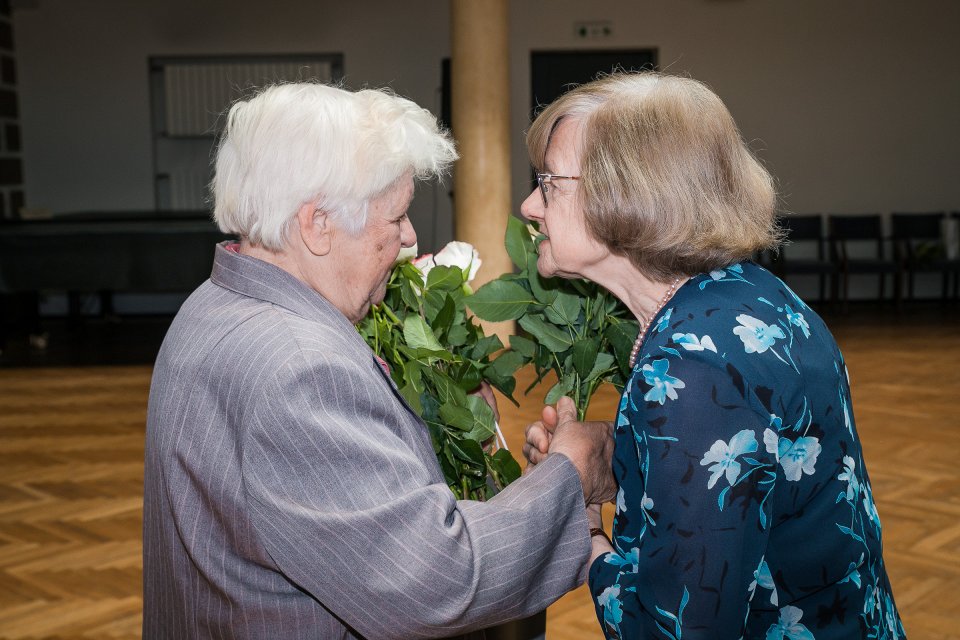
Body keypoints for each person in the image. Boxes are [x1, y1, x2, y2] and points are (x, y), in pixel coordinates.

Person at [142, 83, 615, 639]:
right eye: (396, 217)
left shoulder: (213, 302)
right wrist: (571, 473)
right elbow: (438, 582)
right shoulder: (299, 371)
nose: (411, 237)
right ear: (318, 225)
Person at [521, 72, 904, 639]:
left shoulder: (689, 369)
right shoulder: (757, 295)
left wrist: (587, 533)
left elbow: (676, 631)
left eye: (550, 182)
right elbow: (744, 490)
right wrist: (620, 460)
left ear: (628, 193)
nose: (531, 205)